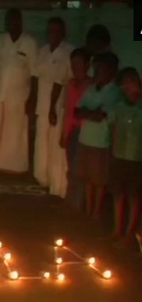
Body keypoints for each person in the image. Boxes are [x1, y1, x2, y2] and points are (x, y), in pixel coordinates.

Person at [0, 8, 37, 174]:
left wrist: (32, 99)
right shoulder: (0, 40)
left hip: (20, 97)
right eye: (9, 21)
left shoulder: (29, 42)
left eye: (16, 20)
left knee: (17, 133)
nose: (12, 24)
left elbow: (34, 74)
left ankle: (17, 168)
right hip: (0, 94)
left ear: (21, 22)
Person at [75, 51, 121, 220]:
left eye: (100, 68)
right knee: (88, 178)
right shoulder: (92, 88)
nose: (97, 71)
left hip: (101, 142)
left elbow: (101, 115)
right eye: (96, 68)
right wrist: (90, 113)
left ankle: (96, 211)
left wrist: (88, 112)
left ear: (111, 70)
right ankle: (89, 210)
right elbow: (77, 111)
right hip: (85, 138)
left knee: (99, 180)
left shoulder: (114, 92)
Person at [33, 17, 73, 197]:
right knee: (41, 145)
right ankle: (42, 180)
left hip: (58, 108)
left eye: (56, 30)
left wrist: (52, 109)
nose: (53, 34)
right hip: (42, 105)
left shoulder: (69, 52)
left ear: (62, 32)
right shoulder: (42, 51)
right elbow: (35, 77)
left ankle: (58, 187)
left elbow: (63, 81)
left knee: (56, 148)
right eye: (50, 30)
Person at [107, 68, 142, 247]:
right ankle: (117, 229)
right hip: (119, 156)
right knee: (118, 194)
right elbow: (113, 130)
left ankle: (130, 233)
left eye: (132, 82)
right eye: (125, 83)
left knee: (133, 196)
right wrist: (113, 154)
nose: (128, 86)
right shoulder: (118, 107)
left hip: (136, 158)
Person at [61, 48, 92, 210]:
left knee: (81, 170)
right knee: (71, 168)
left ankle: (79, 205)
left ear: (87, 65)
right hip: (73, 131)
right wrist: (64, 133)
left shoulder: (91, 86)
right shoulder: (70, 84)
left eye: (79, 63)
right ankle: (71, 202)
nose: (75, 66)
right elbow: (67, 110)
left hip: (86, 132)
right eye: (73, 63)